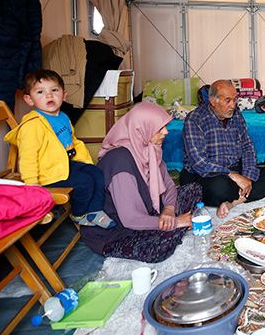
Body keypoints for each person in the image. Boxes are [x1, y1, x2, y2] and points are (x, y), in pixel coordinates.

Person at [80, 102, 203, 263]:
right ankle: (173, 227)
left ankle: (169, 225)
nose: (165, 132)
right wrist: (176, 223)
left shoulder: (150, 149)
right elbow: (131, 219)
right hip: (117, 231)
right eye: (160, 128)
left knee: (195, 188)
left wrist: (169, 209)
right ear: (141, 129)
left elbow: (169, 186)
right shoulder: (120, 162)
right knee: (158, 249)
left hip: (149, 210)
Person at [4, 69, 114, 228]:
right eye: (40, 92)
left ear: (64, 95)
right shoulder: (32, 126)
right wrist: (32, 184)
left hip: (65, 164)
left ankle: (95, 210)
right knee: (85, 182)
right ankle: (79, 213)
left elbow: (72, 140)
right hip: (48, 172)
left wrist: (84, 162)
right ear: (29, 99)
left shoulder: (62, 117)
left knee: (96, 173)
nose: (49, 96)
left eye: (54, 90)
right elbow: (28, 157)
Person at [181, 80, 265, 218]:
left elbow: (247, 147)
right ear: (212, 101)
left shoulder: (236, 115)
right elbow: (199, 163)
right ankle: (236, 194)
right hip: (206, 174)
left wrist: (247, 177)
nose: (233, 105)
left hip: (234, 169)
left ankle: (233, 202)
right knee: (219, 188)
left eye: (235, 100)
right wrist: (233, 176)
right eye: (227, 100)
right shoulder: (194, 119)